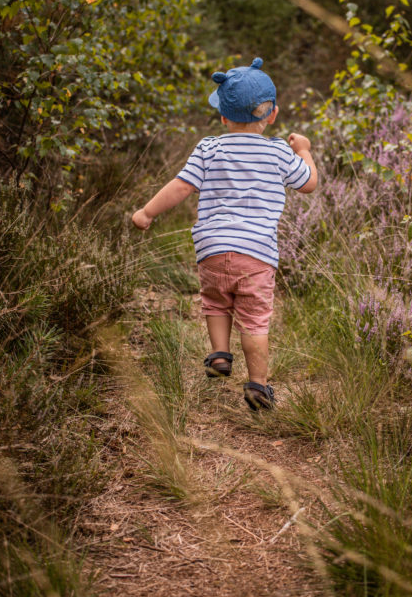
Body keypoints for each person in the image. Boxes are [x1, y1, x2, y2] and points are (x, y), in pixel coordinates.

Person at [132, 57, 317, 411]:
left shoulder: (209, 148)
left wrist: (146, 212)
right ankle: (258, 385)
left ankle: (219, 355)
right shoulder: (279, 151)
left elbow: (181, 187)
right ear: (272, 115)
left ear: (223, 117)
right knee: (254, 319)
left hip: (212, 248)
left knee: (215, 301)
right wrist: (305, 151)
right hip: (257, 254)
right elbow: (309, 184)